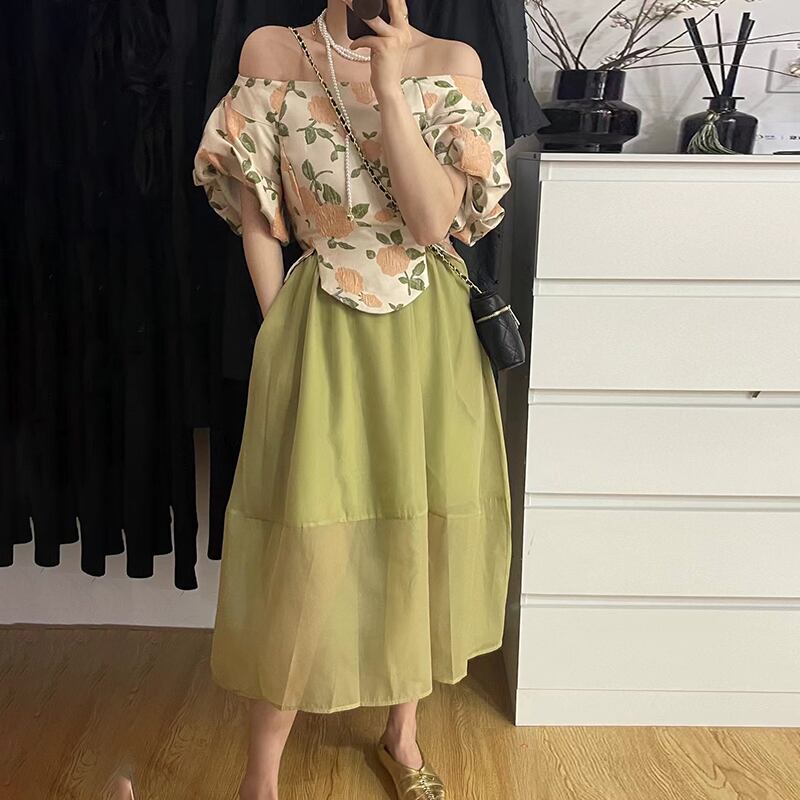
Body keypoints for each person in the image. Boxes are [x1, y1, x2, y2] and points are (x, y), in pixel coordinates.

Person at [191, 1, 512, 798]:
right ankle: (260, 777)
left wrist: (392, 87)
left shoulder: (451, 63)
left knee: (416, 523)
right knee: (304, 542)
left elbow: (433, 222)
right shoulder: (271, 52)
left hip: (429, 334)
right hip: (318, 324)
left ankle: (402, 735)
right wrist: (280, 329)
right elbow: (256, 211)